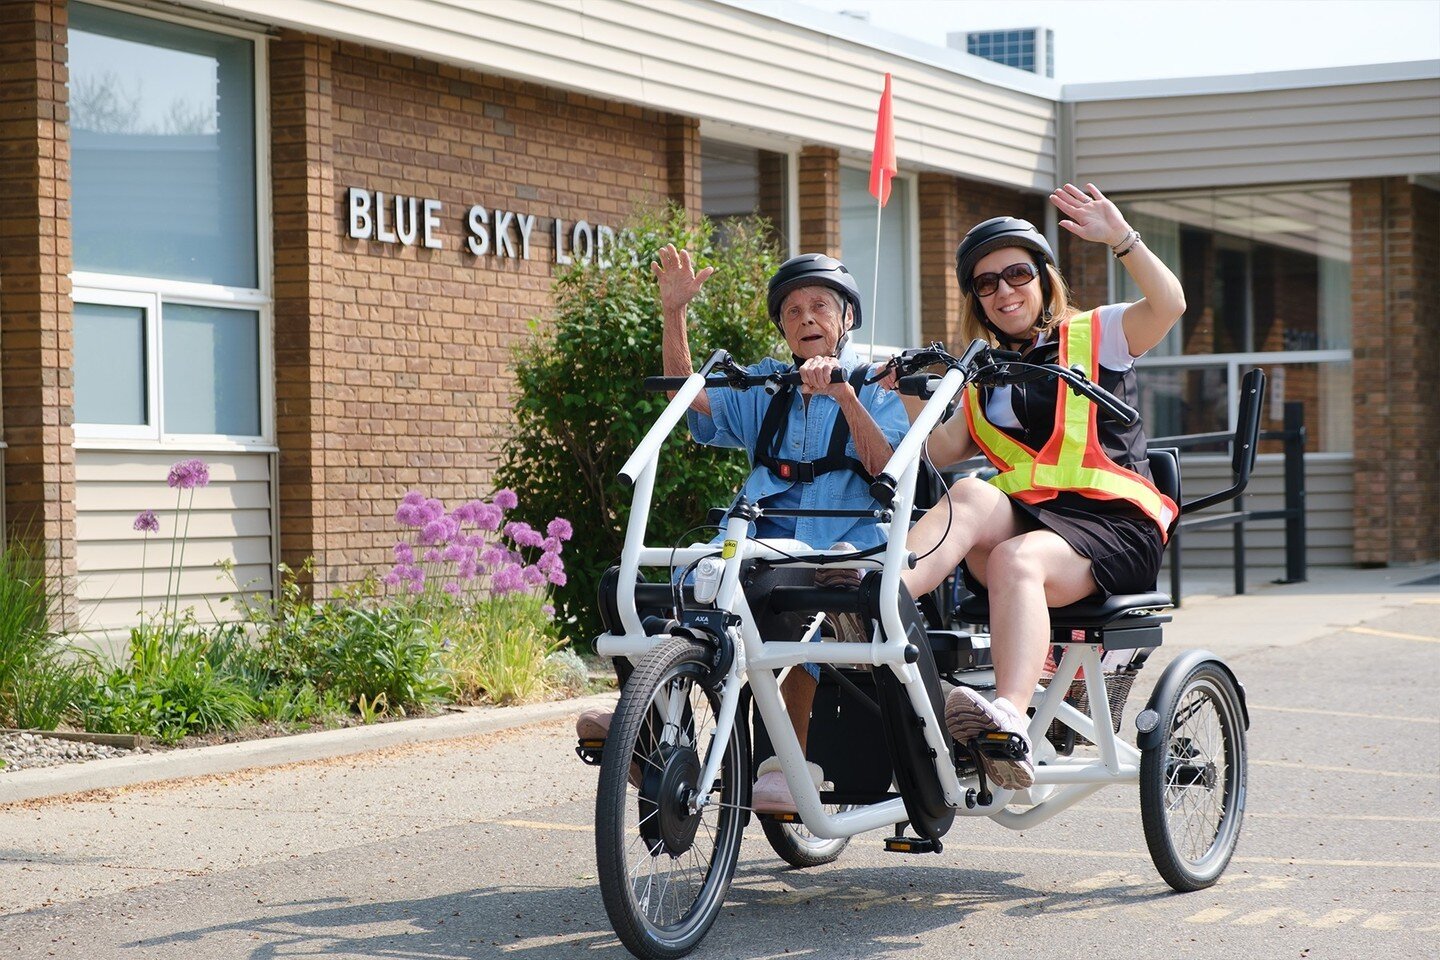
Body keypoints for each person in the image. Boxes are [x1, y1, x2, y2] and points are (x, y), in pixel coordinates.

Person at [578, 245, 909, 813]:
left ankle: (789, 761)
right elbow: (689, 403)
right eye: (793, 310)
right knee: (649, 588)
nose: (806, 317)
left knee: (807, 600)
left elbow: (887, 469)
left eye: (820, 306)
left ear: (846, 317)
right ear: (782, 327)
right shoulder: (767, 385)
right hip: (753, 539)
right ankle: (649, 723)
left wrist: (844, 395)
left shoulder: (879, 384)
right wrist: (675, 313)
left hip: (845, 544)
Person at [885, 182, 1185, 791]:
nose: (1003, 291)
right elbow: (931, 455)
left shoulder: (1099, 335)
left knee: (1016, 557)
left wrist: (1121, 239)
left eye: (1017, 274)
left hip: (1113, 530)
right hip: (1036, 526)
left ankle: (1009, 719)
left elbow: (1170, 303)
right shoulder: (980, 379)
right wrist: (886, 393)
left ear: (1045, 279)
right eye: (986, 283)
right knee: (968, 496)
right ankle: (877, 605)